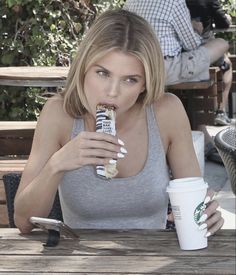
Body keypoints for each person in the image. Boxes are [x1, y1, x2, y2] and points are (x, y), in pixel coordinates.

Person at [14, 10, 224, 237]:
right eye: (103, 73)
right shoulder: (59, 114)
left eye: (130, 80)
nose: (112, 92)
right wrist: (57, 164)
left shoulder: (166, 112)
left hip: (152, 261)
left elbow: (193, 195)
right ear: (84, 68)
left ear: (144, 84)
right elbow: (24, 222)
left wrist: (207, 214)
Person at [123, 0, 231, 124]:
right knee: (221, 43)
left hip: (135, 66)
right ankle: (219, 111)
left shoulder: (130, 2)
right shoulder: (174, 2)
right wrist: (195, 29)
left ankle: (201, 128)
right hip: (166, 69)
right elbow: (192, 44)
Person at [186, 0, 233, 126]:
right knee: (227, 66)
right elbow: (224, 24)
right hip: (204, 46)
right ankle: (221, 111)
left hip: (181, 51)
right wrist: (225, 19)